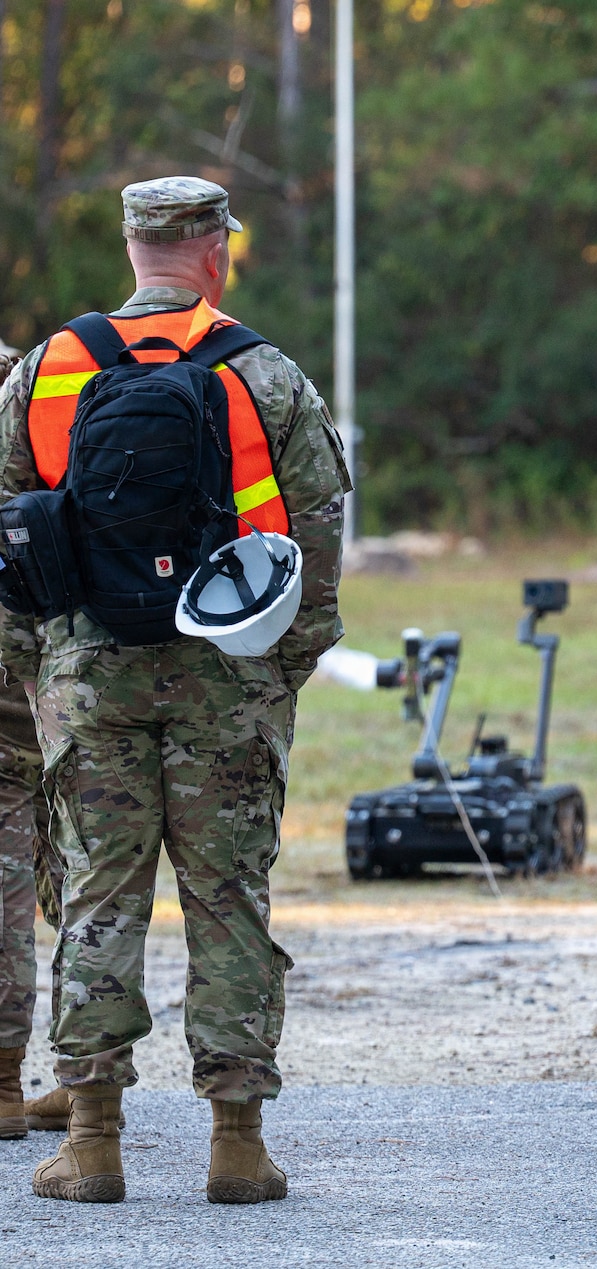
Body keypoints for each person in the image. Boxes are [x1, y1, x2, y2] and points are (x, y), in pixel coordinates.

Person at [0, 177, 349, 1202]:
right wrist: (283, 664)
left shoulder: (49, 369)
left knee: (101, 901)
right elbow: (319, 531)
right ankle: (236, 1146)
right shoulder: (263, 373)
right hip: (226, 682)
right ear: (215, 251)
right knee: (229, 901)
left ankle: (93, 1143)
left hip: (89, 679)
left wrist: (41, 663)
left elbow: (11, 530)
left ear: (131, 244)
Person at [0, 337, 44, 1142]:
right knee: (84, 862)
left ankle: (3, 1079)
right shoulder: (45, 377)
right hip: (56, 652)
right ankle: (83, 1079)